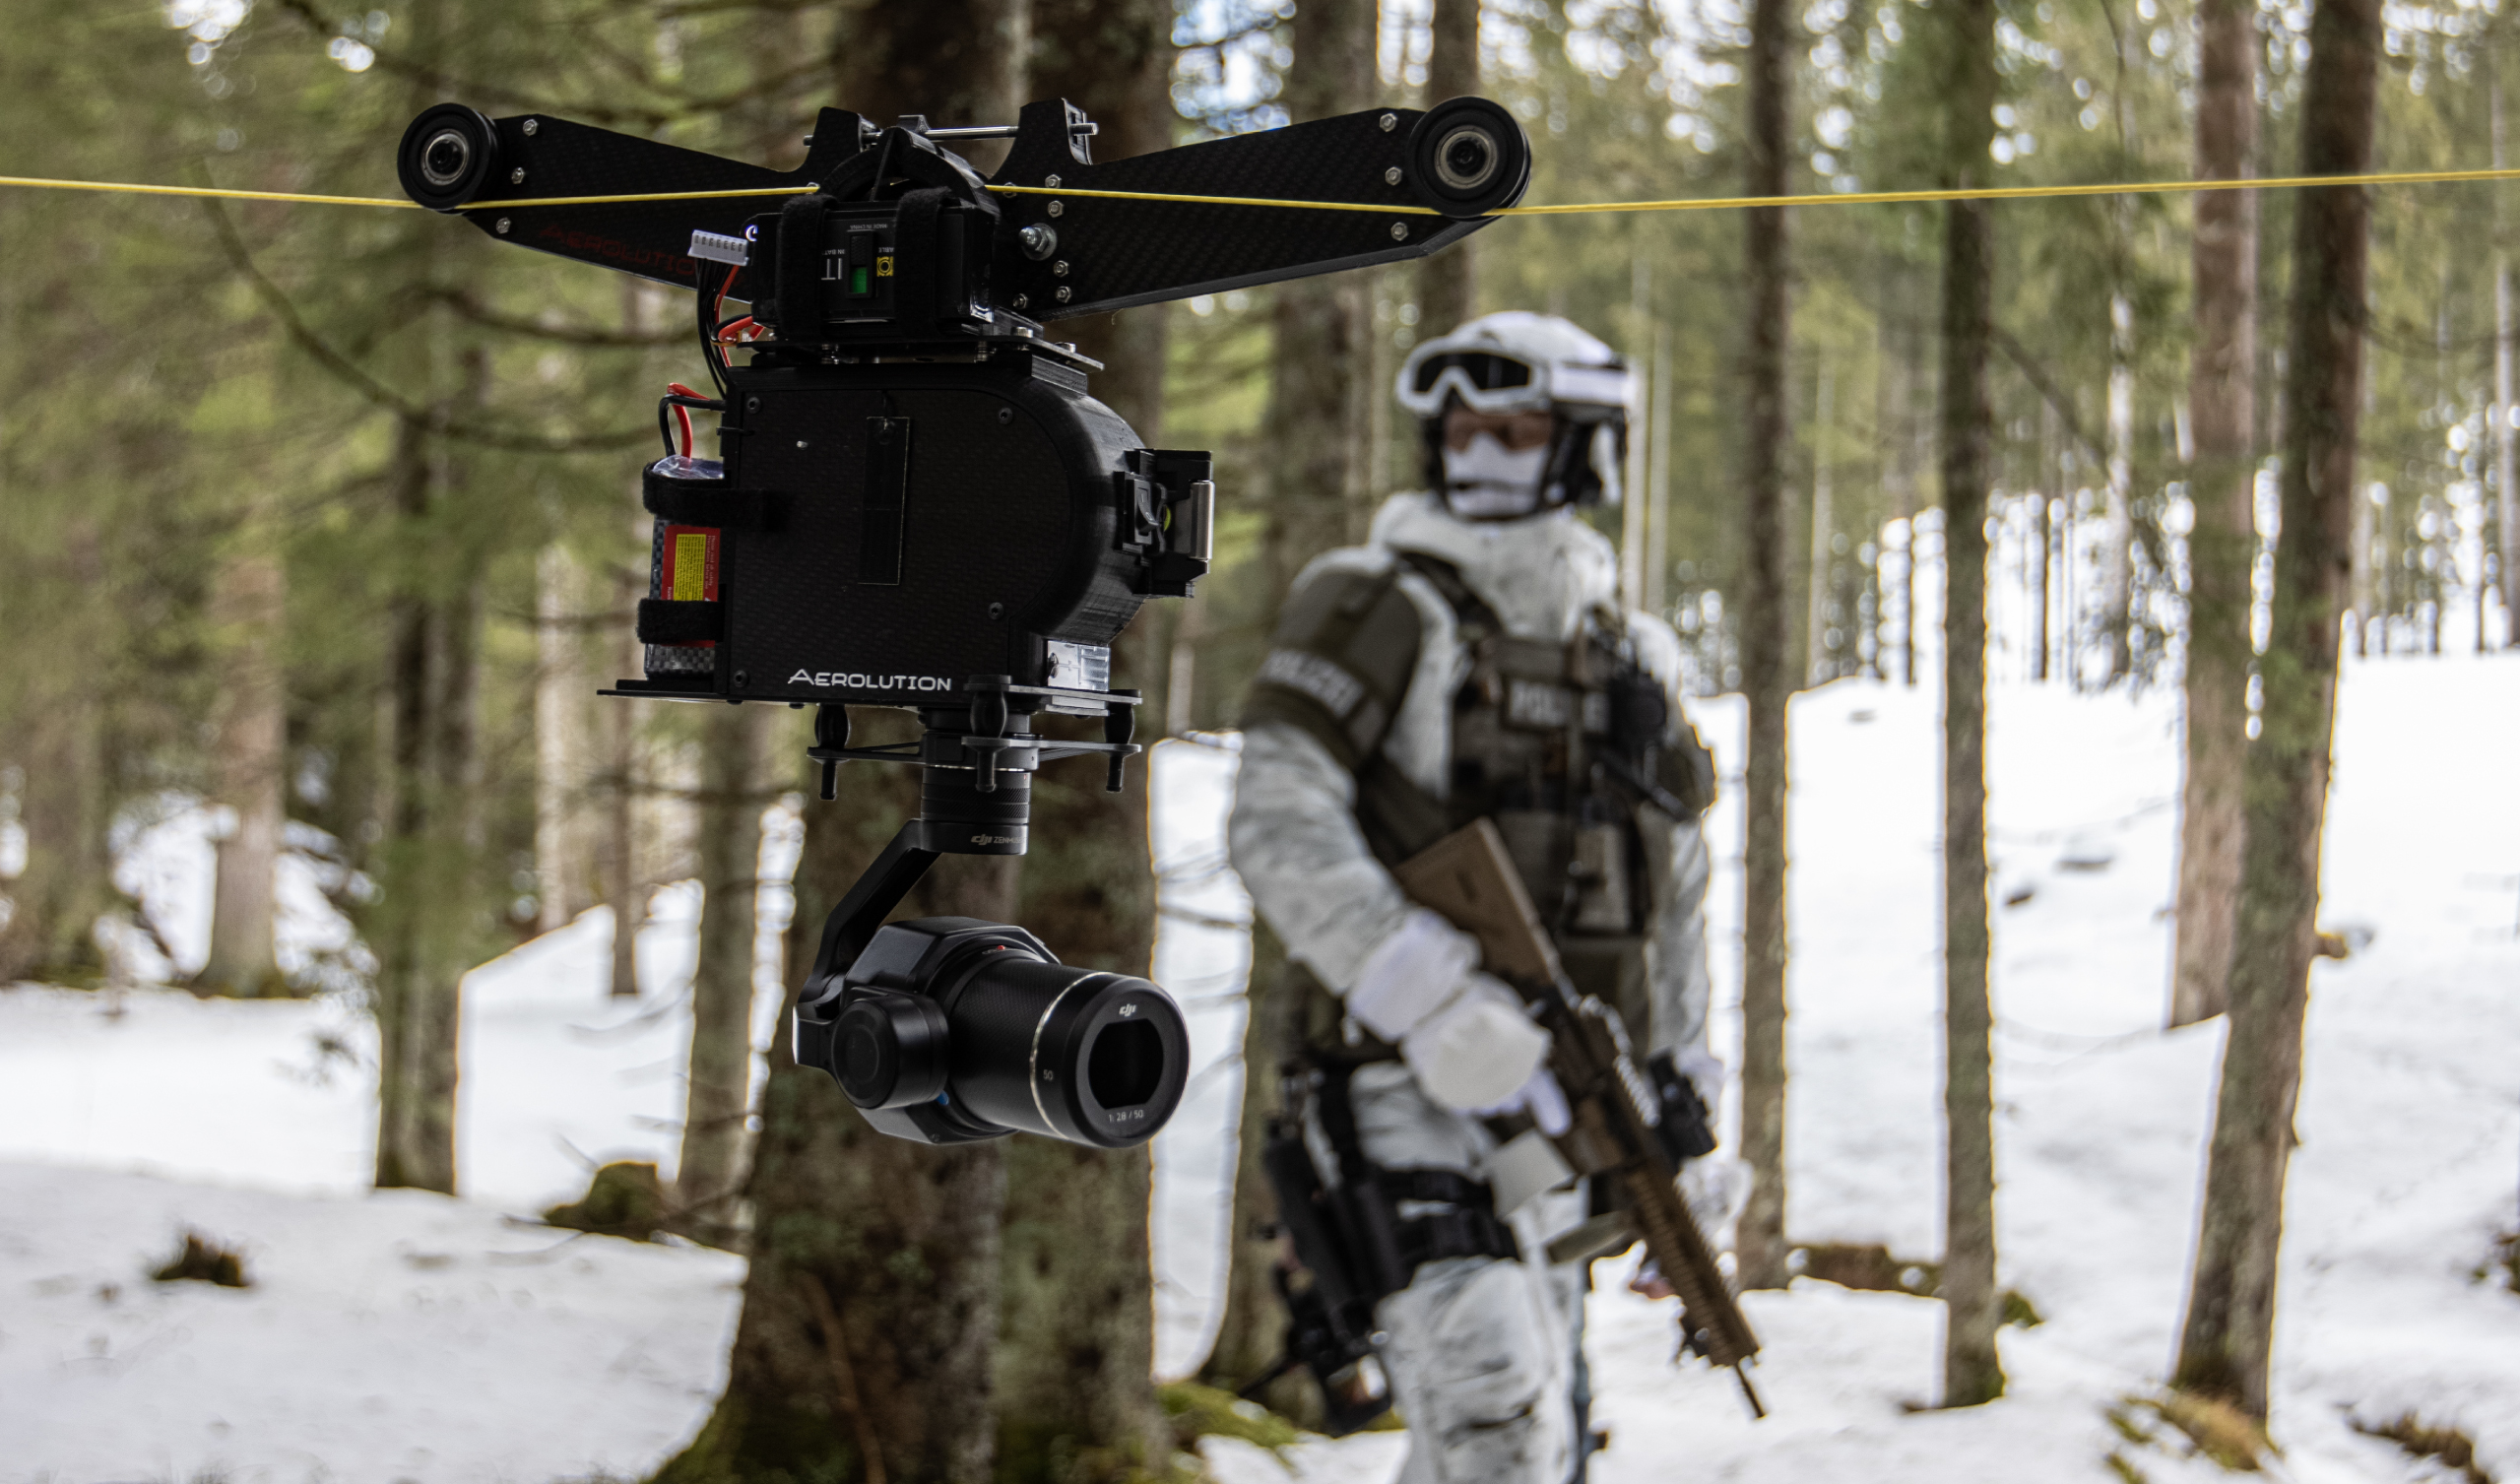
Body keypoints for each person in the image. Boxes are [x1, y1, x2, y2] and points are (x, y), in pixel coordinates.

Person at [1228, 310, 1740, 1484]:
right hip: (1405, 1078)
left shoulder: (1633, 653)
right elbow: (1276, 813)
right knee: (1493, 1405)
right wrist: (1424, 993)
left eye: (1514, 428)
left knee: (1547, 1420)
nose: (1479, 451)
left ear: (1584, 449)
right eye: (1461, 427)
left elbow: (1676, 891)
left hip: (1564, 1102)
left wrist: (1686, 1083)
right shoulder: (1374, 602)